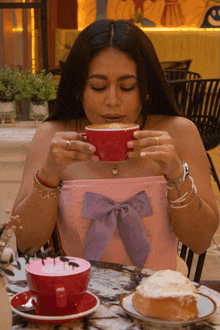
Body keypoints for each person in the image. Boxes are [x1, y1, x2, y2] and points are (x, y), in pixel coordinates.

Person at [12, 19, 218, 271]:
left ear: (146, 89)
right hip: (80, 298)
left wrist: (176, 173)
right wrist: (48, 174)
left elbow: (200, 241)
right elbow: (27, 242)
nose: (112, 100)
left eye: (127, 87)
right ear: (78, 89)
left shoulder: (179, 132)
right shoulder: (53, 136)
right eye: (98, 87)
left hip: (159, 297)